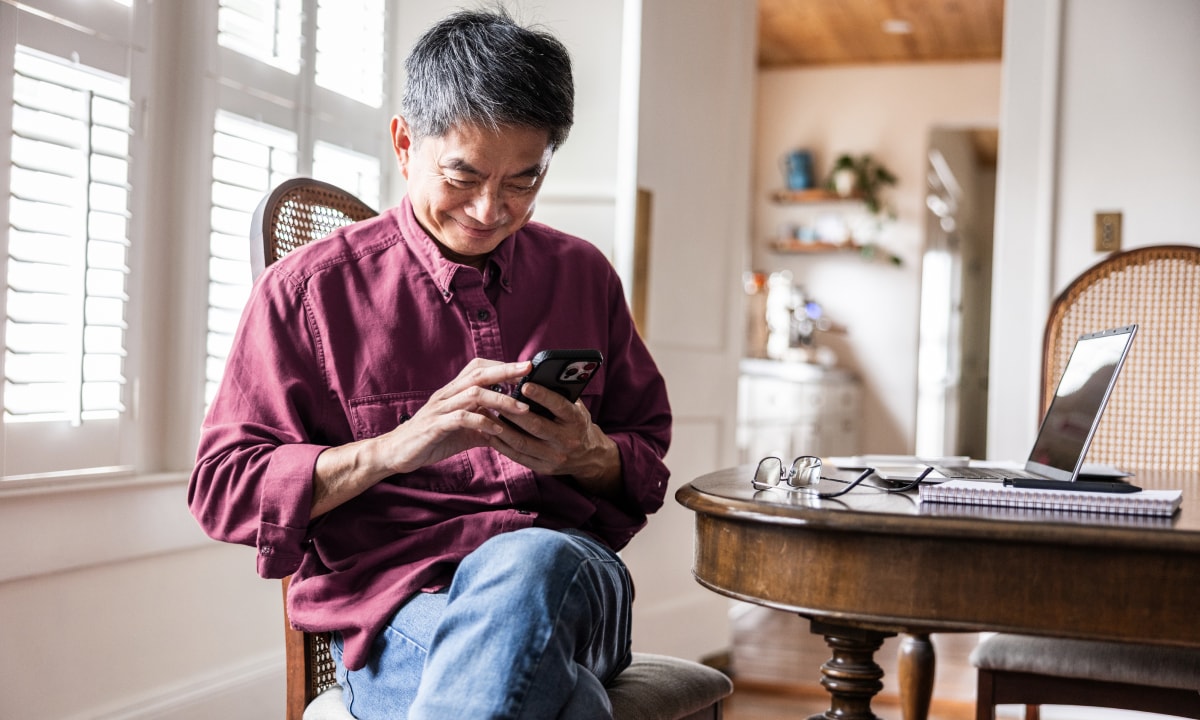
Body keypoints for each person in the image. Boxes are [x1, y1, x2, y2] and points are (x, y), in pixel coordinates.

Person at [188, 7, 672, 720]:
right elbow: (223, 490)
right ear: (404, 143)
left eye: (523, 181)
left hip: (575, 585)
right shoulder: (307, 292)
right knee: (572, 706)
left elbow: (647, 460)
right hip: (397, 608)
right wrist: (397, 447)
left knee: (531, 560)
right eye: (464, 175)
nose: (489, 209)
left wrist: (588, 453)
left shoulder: (583, 274)